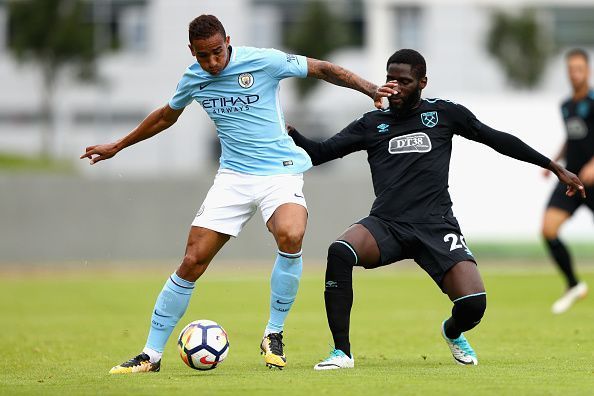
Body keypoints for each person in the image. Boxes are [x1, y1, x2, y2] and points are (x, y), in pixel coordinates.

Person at [80, 14, 385, 373]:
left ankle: (273, 333)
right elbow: (166, 116)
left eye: (216, 52)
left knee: (291, 233)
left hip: (279, 171)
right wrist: (118, 145)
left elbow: (320, 68)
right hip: (234, 177)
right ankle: (152, 354)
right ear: (191, 52)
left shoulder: (264, 60)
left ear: (228, 40)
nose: (211, 62)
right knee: (192, 260)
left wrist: (370, 89)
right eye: (201, 56)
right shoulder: (194, 79)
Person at [287, 49, 585, 369]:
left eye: (404, 80)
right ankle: (341, 353)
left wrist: (554, 167)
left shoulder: (443, 114)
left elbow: (496, 139)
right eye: (390, 79)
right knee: (341, 251)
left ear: (422, 82)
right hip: (387, 224)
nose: (395, 86)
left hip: (436, 226)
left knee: (473, 305)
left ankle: (452, 332)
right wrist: (291, 134)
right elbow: (319, 153)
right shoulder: (372, 124)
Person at [542, 48, 593, 314]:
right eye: (571, 69)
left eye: (579, 69)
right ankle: (573, 284)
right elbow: (572, 138)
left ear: (588, 70)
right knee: (548, 229)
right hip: (573, 180)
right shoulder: (565, 105)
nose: (575, 74)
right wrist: (553, 161)